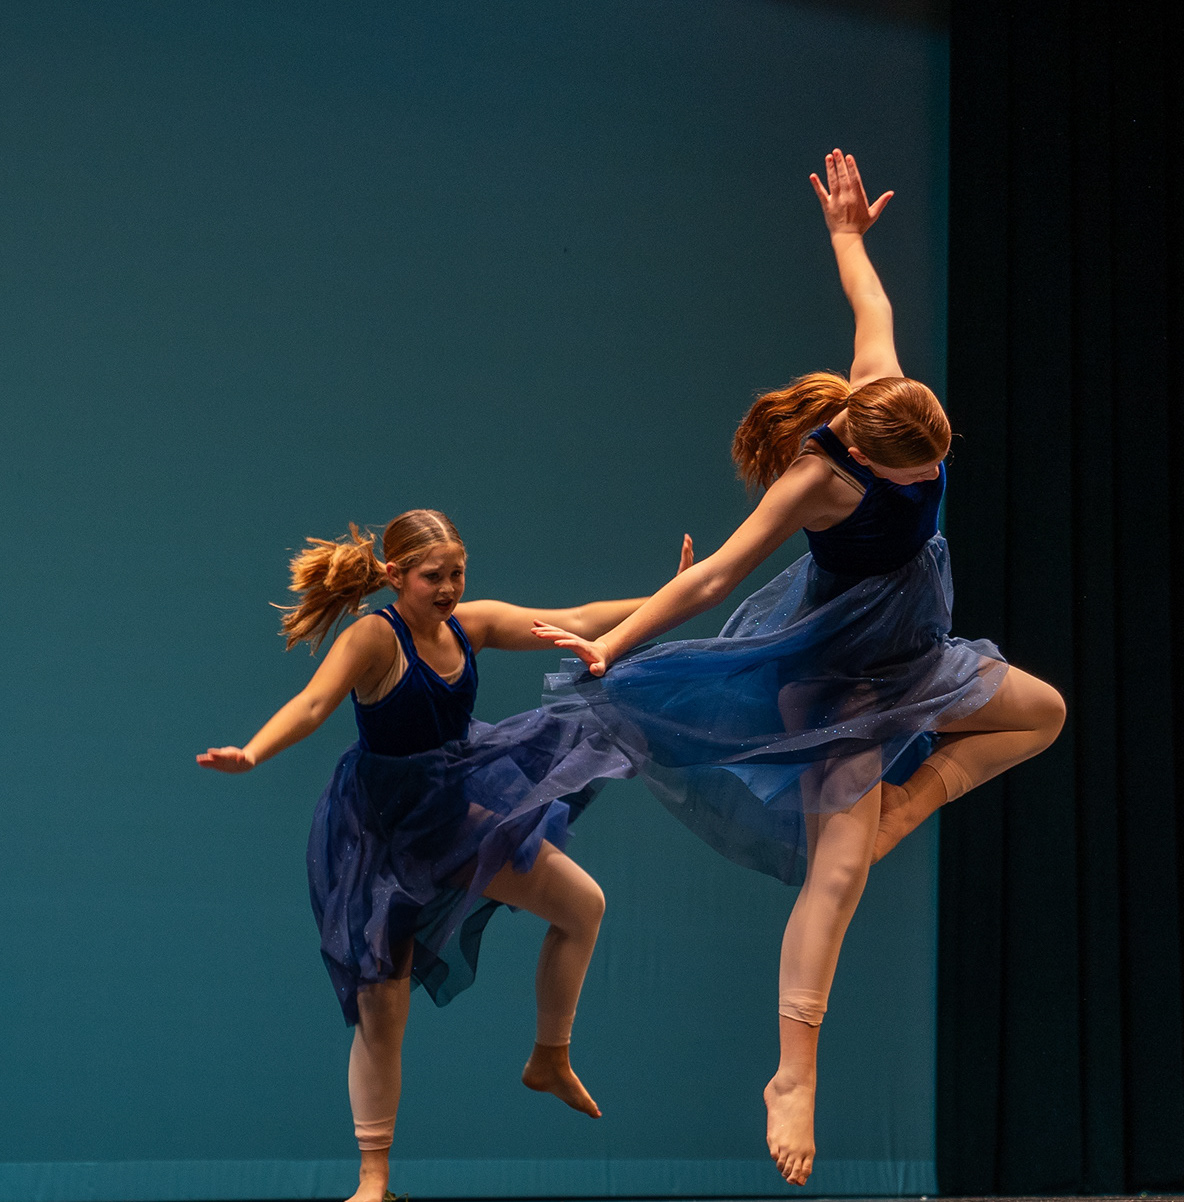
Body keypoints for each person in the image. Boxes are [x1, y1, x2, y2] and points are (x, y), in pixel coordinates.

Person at [534, 150, 1066, 1186]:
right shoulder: (817, 480)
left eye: (939, 462)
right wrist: (614, 641)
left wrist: (846, 235)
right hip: (835, 674)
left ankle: (895, 813)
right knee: (836, 873)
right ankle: (793, 1074)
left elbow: (870, 303)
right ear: (864, 457)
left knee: (1040, 712)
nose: (933, 475)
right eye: (916, 470)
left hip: (914, 651)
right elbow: (714, 576)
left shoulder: (886, 390)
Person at [198, 508, 689, 1202]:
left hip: (455, 811)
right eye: (435, 576)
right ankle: (372, 1181)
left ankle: (549, 1058)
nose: (450, 588)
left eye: (458, 573)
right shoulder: (374, 637)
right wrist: (253, 752)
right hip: (383, 831)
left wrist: (672, 594)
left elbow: (576, 618)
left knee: (583, 904)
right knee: (382, 1005)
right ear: (396, 575)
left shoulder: (470, 624)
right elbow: (311, 705)